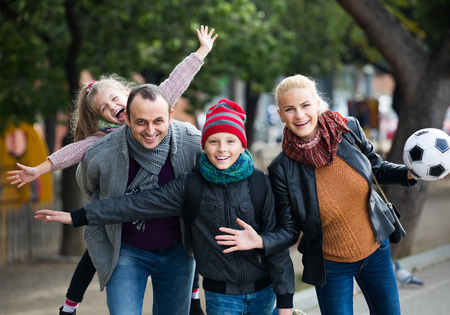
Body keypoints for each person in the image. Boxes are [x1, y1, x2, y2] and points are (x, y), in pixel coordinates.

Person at [9, 26, 217, 315]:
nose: (113, 107)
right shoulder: (102, 143)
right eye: (105, 108)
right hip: (127, 249)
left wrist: (202, 50)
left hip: (175, 248)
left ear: (130, 96)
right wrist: (40, 168)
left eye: (116, 99)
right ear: (105, 117)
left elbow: (177, 80)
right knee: (96, 259)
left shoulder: (164, 115)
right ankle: (70, 304)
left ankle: (192, 295)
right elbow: (73, 152)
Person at [35, 99, 299, 315]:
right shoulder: (191, 185)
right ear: (202, 146)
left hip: (264, 292)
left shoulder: (260, 184)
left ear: (243, 145)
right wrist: (79, 216)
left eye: (231, 141)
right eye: (214, 141)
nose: (222, 149)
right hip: (220, 296)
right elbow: (136, 204)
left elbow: (280, 246)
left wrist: (284, 301)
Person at [264, 74, 417, 314]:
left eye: (305, 105)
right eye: (290, 109)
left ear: (316, 103)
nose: (299, 115)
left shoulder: (348, 130)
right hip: (331, 266)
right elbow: (289, 228)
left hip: (376, 249)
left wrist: (409, 174)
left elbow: (376, 168)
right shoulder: (281, 168)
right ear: (281, 115)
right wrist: (261, 240)